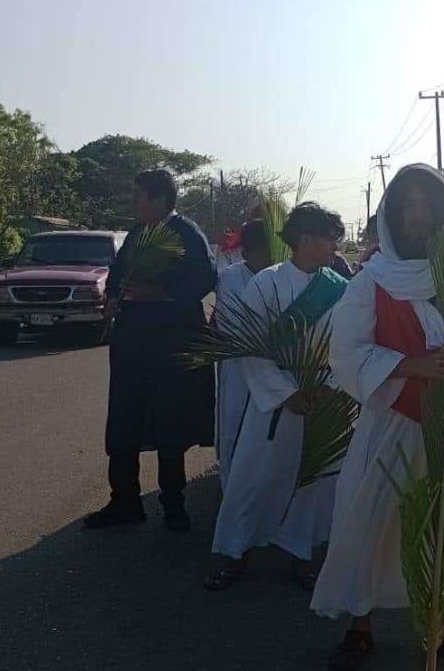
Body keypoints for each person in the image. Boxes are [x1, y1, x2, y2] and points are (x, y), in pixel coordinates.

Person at [310, 163, 444, 671]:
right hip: (391, 425)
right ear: (392, 214)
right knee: (369, 525)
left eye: (429, 206)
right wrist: (411, 365)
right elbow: (347, 352)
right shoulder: (372, 280)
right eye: (408, 206)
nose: (418, 217)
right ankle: (360, 629)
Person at [205, 202, 349, 591]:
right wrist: (285, 393)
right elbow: (252, 347)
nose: (335, 248)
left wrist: (328, 387)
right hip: (276, 398)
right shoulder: (265, 283)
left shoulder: (340, 289)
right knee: (252, 477)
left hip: (322, 395)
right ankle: (234, 552)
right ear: (306, 239)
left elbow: (349, 345)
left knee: (313, 479)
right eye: (329, 239)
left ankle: (300, 552)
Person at [86, 169, 216, 530]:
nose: (133, 203)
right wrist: (112, 297)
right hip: (131, 345)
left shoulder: (186, 233)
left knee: (169, 423)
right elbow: (117, 273)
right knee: (124, 420)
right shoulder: (137, 234)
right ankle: (124, 502)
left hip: (171, 346)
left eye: (138, 196)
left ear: (160, 200)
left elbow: (204, 278)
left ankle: (173, 503)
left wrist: (162, 294)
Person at [214, 219, 273, 492]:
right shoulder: (231, 277)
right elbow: (232, 327)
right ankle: (232, 493)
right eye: (261, 251)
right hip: (239, 369)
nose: (267, 257)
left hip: (276, 371)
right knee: (235, 430)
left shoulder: (282, 274)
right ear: (246, 252)